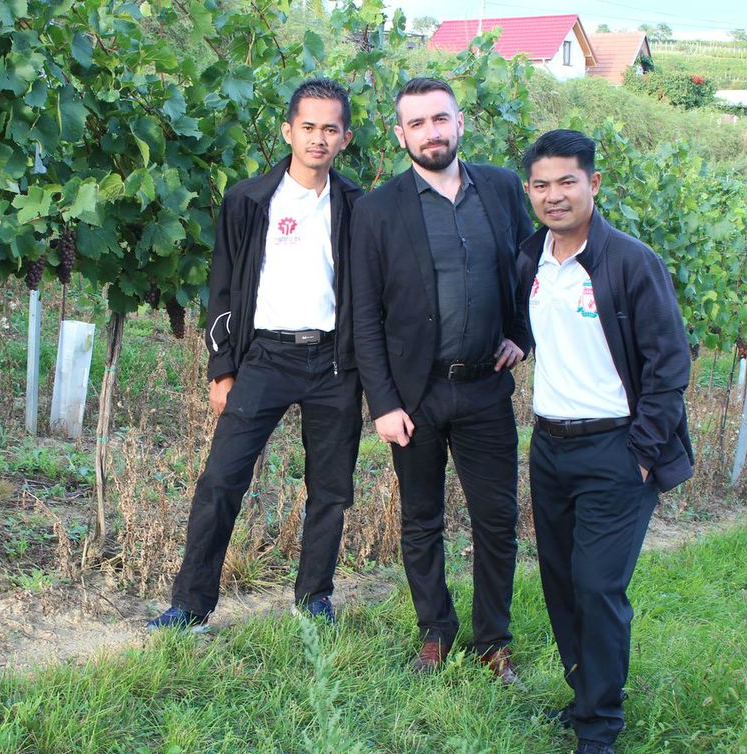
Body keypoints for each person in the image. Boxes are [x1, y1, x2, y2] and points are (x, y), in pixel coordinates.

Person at [147, 78, 364, 631]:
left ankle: (313, 598)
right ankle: (191, 604)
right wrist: (221, 369)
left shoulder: (358, 206)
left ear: (345, 138)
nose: (318, 139)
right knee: (221, 480)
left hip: (334, 362)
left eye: (330, 129)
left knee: (331, 489)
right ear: (288, 130)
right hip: (265, 357)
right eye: (308, 127)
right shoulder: (248, 200)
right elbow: (222, 287)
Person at [518, 129, 693, 754]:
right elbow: (530, 329)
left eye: (567, 181)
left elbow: (669, 364)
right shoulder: (531, 258)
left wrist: (641, 453)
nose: (554, 195)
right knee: (562, 583)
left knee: (597, 586)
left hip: (615, 449)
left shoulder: (630, 262)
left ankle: (600, 730)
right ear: (530, 191)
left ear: (593, 183)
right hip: (549, 446)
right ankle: (584, 698)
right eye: (541, 185)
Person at [350, 77, 533, 677]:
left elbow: (531, 270)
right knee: (421, 519)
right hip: (415, 394)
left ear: (460, 123)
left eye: (440, 119)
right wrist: (383, 402)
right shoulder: (377, 210)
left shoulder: (501, 189)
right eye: (417, 123)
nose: (431, 133)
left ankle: (492, 640)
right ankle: (435, 630)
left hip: (485, 387)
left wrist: (522, 333)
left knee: (497, 520)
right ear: (400, 134)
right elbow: (364, 315)